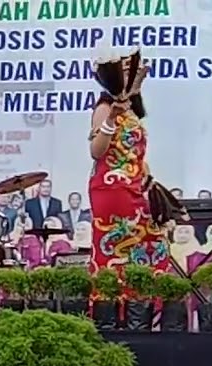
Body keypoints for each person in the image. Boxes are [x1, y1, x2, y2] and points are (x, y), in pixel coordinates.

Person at [87, 47, 169, 272]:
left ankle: (143, 304)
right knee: (116, 250)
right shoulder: (104, 108)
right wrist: (111, 118)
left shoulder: (132, 111)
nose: (132, 73)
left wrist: (148, 180)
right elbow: (96, 151)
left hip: (135, 187)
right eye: (125, 69)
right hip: (113, 188)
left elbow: (134, 154)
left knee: (152, 246)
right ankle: (113, 303)